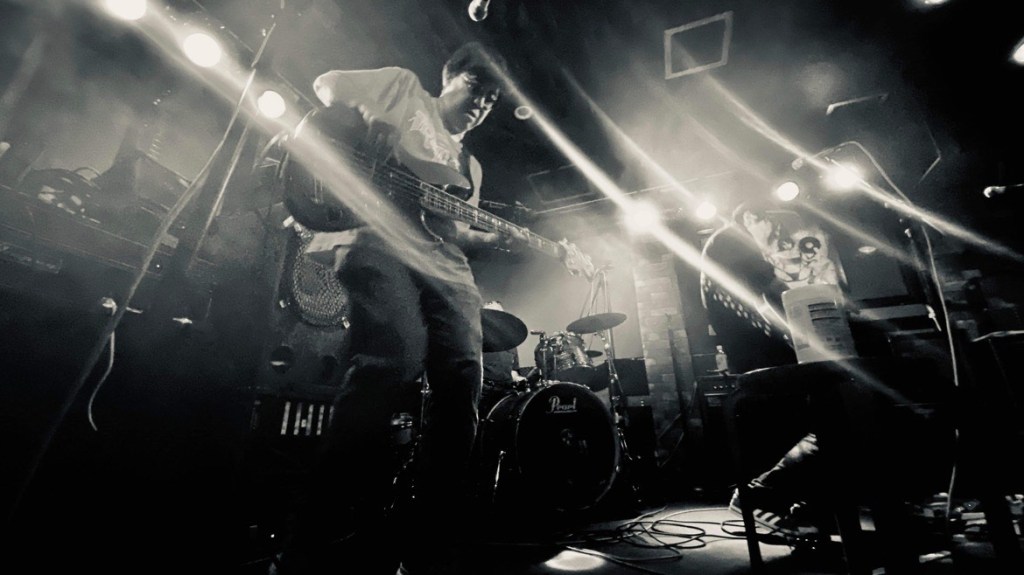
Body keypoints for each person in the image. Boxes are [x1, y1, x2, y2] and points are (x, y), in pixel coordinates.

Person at [276, 42, 522, 575]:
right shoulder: (403, 87)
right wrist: (372, 119)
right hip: (378, 240)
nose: (482, 104)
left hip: (445, 266)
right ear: (449, 77)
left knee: (464, 382)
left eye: (492, 99)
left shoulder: (470, 167)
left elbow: (454, 231)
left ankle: (428, 546)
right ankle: (308, 544)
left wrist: (494, 237)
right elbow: (326, 82)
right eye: (476, 88)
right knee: (394, 361)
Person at [700, 201, 846, 535]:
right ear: (751, 216)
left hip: (763, 355)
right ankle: (761, 494)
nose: (777, 234)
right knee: (834, 416)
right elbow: (777, 295)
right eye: (772, 225)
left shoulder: (729, 245)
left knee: (826, 417)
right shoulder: (732, 240)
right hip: (761, 359)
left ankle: (812, 506)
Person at [479, 300, 529, 417]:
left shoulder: (511, 343)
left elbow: (513, 371)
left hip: (506, 393)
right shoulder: (477, 340)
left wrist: (519, 379)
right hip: (483, 392)